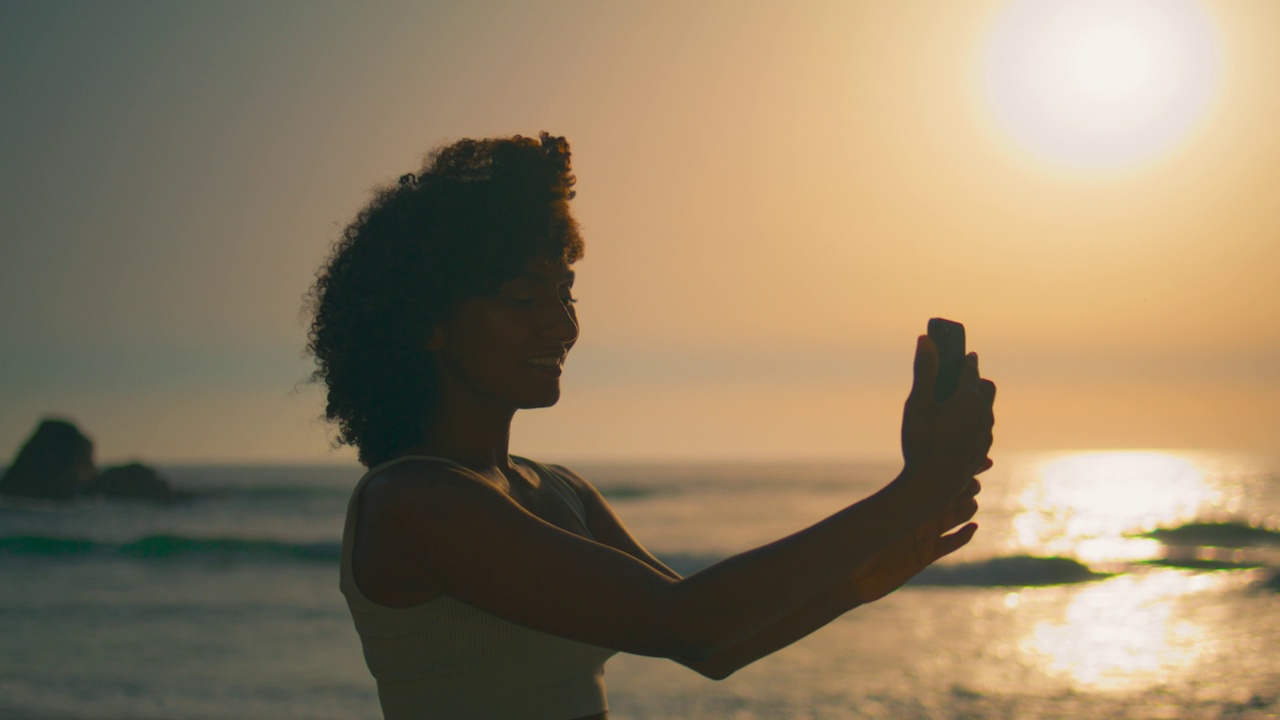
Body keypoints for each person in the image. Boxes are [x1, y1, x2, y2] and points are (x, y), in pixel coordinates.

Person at [306, 132, 996, 720]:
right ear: (428, 325)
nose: (562, 322)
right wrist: (913, 490)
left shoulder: (556, 490)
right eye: (523, 296)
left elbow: (711, 650)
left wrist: (863, 579)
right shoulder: (413, 502)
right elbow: (686, 617)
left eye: (566, 292)